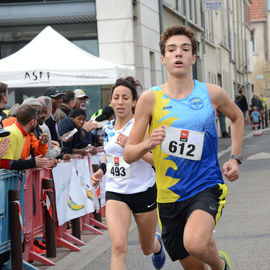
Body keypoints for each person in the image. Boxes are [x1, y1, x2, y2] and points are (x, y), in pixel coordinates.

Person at [123, 25, 244, 270]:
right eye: (172, 49)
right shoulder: (150, 99)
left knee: (195, 243)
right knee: (193, 264)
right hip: (169, 197)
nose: (178, 53)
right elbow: (129, 153)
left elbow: (237, 117)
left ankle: (221, 266)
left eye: (185, 49)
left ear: (193, 57)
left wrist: (235, 157)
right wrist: (149, 142)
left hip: (206, 186)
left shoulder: (211, 93)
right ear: (163, 59)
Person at [91, 77, 166, 270]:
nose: (120, 102)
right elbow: (109, 155)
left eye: (125, 97)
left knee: (147, 247)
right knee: (118, 247)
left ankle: (157, 246)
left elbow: (156, 161)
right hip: (116, 192)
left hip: (144, 191)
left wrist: (133, 149)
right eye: (116, 97)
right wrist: (101, 170)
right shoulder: (107, 128)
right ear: (111, 102)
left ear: (134, 102)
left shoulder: (142, 126)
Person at [0, 105, 55, 170]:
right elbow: (5, 164)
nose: (37, 123)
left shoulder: (23, 133)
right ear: (32, 122)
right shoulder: (11, 133)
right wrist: (32, 163)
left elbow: (17, 162)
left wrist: (42, 144)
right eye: (36, 120)